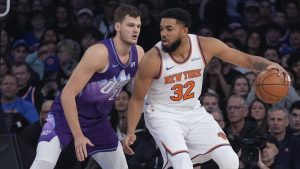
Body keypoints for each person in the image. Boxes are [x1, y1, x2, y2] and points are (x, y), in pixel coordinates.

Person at [123, 8, 290, 169]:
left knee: (230, 160)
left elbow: (245, 60)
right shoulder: (152, 59)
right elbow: (137, 99)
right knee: (183, 163)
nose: (163, 34)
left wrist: (270, 65)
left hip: (193, 110)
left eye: (169, 29)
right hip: (163, 114)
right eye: (161, 29)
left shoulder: (204, 46)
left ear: (184, 31)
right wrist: (130, 131)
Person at [30, 5, 144, 169]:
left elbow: (137, 96)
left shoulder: (138, 53)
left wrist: (131, 132)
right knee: (42, 164)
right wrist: (78, 136)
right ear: (117, 26)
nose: (136, 30)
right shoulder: (99, 53)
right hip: (64, 117)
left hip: (97, 122)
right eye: (130, 25)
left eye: (138, 26)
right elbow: (67, 94)